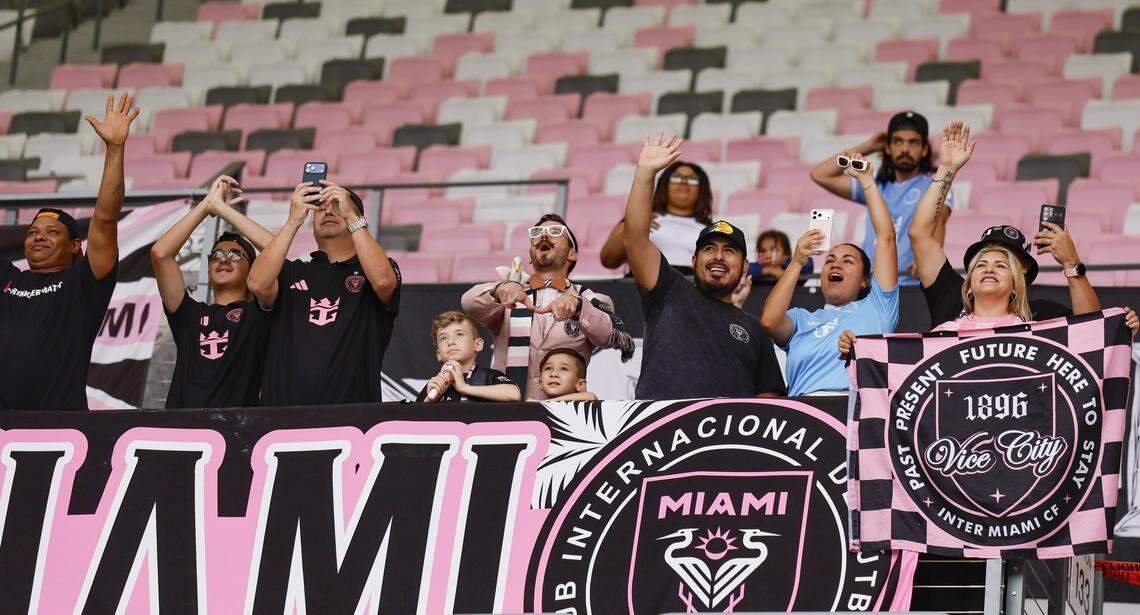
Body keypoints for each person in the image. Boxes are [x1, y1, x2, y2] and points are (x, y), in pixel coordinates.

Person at [0, 93, 138, 410]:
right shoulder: (7, 277)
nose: (38, 237)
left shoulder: (83, 283)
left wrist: (115, 149)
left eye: (51, 232)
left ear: (76, 246)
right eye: (33, 232)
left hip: (60, 428)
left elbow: (104, 218)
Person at [624, 133, 786, 399]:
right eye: (709, 249)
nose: (718, 257)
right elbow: (635, 239)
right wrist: (645, 173)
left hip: (723, 438)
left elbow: (769, 399)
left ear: (745, 267)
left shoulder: (755, 330)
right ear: (693, 261)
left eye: (729, 250)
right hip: (659, 432)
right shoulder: (668, 290)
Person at [908, 121, 1102, 328]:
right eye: (981, 262)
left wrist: (1071, 262)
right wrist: (947, 169)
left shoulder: (1041, 316)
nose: (989, 268)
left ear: (1021, 274)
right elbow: (919, 235)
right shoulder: (951, 297)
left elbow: (1092, 330)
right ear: (969, 285)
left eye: (1003, 263)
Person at [247, 180, 401, 406]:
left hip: (352, 422)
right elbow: (257, 284)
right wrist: (293, 222)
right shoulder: (292, 271)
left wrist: (353, 218)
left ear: (354, 216)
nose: (328, 211)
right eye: (320, 208)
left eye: (338, 206)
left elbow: (384, 282)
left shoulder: (377, 269)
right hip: (281, 422)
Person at [761, 152, 900, 396]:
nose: (836, 265)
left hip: (854, 413)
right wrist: (797, 261)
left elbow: (886, 238)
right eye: (829, 261)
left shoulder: (878, 307)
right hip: (805, 417)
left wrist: (866, 180)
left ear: (866, 279)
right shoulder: (801, 319)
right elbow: (770, 322)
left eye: (848, 261)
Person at [461, 213, 633, 400]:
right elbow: (469, 304)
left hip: (563, 416)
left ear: (572, 254)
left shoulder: (589, 300)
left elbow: (609, 336)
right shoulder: (509, 295)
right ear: (530, 254)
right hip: (505, 413)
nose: (544, 236)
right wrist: (499, 289)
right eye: (538, 232)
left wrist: (578, 308)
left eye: (555, 231)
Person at [151, 175, 275, 408]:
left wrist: (224, 210)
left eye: (235, 254)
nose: (224, 259)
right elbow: (161, 254)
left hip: (237, 434)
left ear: (253, 269)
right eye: (216, 255)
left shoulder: (261, 314)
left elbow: (275, 249)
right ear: (208, 271)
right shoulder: (189, 314)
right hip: (180, 432)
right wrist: (206, 206)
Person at [810, 110, 948, 286]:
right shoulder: (874, 185)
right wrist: (870, 145)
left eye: (913, 143)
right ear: (887, 148)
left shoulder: (935, 182)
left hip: (911, 285)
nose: (905, 149)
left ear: (924, 150)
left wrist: (928, 257)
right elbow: (820, 174)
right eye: (898, 142)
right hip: (870, 287)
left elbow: (939, 218)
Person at [599, 160, 712, 274]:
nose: (683, 182)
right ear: (664, 185)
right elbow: (608, 260)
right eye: (676, 177)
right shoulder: (641, 218)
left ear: (701, 189)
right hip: (641, 286)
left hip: (691, 286)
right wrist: (634, 226)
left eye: (692, 179)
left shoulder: (711, 230)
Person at [416, 311, 520, 403]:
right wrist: (429, 400)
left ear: (477, 344)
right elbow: (413, 419)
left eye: (459, 335)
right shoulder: (434, 385)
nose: (451, 342)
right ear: (438, 354)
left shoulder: (489, 377)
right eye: (443, 338)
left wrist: (464, 388)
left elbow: (514, 394)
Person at [531, 348, 598, 402]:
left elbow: (591, 397)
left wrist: (543, 403)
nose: (553, 374)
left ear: (580, 384)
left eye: (564, 369)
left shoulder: (539, 404)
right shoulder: (534, 404)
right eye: (548, 368)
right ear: (540, 383)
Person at [748, 229, 814, 283]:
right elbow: (744, 270)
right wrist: (768, 270)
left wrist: (787, 266)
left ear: (786, 253)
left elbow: (808, 264)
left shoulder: (789, 264)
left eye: (774, 250)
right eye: (762, 251)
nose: (767, 256)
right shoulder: (757, 267)